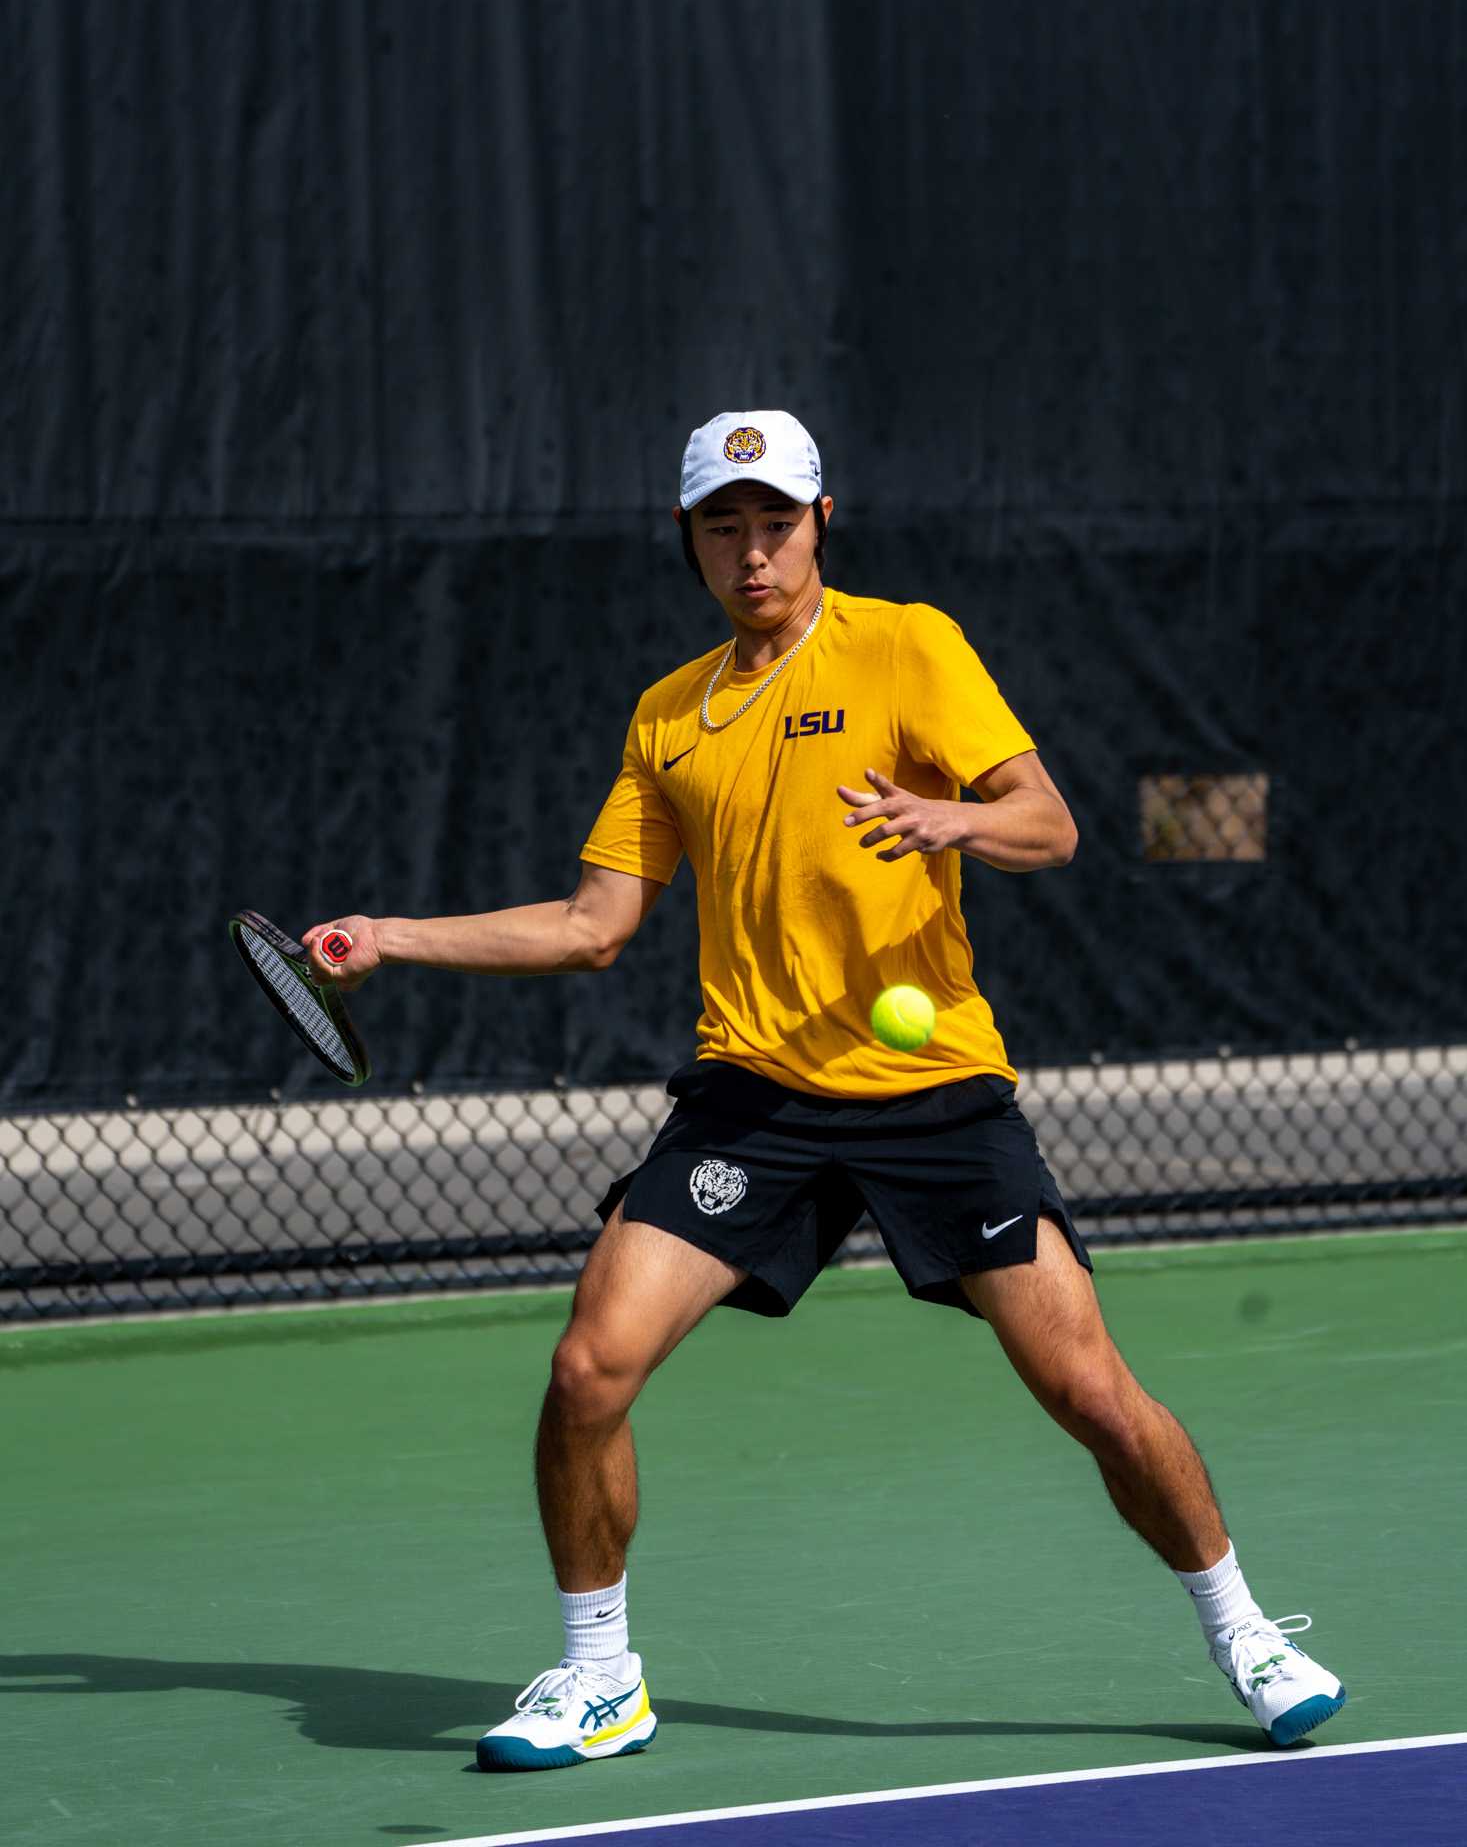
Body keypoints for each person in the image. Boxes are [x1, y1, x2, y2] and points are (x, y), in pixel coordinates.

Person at [305, 409, 1346, 1774]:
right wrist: (390, 939)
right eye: (724, 526)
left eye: (775, 522)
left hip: (934, 1093)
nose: (752, 552)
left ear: (820, 523)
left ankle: (1244, 1629)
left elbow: (1052, 823)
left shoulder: (908, 643)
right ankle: (598, 1674)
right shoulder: (669, 715)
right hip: (755, 1100)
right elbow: (589, 924)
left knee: (1087, 1387)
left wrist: (951, 819)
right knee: (587, 1366)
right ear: (687, 539)